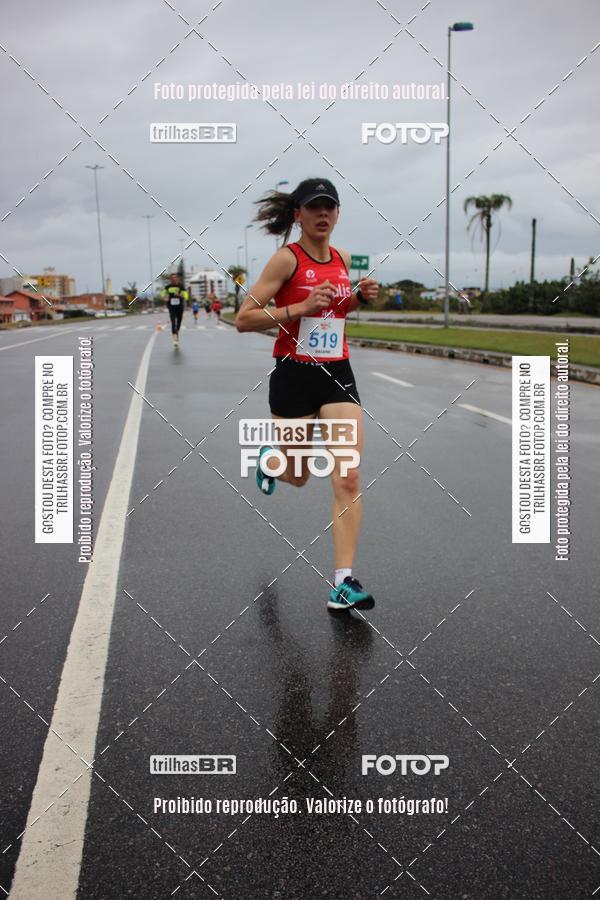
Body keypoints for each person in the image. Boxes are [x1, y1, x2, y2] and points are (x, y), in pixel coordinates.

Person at [236, 178, 379, 612]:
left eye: (329, 207)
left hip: (336, 374)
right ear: (297, 214)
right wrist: (300, 307)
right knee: (297, 475)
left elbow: (338, 309)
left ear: (337, 214)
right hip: (293, 375)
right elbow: (244, 318)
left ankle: (343, 583)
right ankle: (270, 460)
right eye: (314, 207)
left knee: (347, 477)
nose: (322, 214)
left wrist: (359, 298)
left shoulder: (343, 259)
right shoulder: (286, 259)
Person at [162, 273, 188, 348]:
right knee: (173, 322)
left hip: (179, 307)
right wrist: (165, 298)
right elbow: (163, 294)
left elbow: (186, 296)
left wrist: (180, 295)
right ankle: (175, 340)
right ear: (170, 279)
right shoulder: (167, 287)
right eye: (172, 278)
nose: (174, 279)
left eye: (175, 277)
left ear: (177, 278)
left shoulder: (181, 287)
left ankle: (176, 333)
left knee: (179, 323)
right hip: (171, 307)